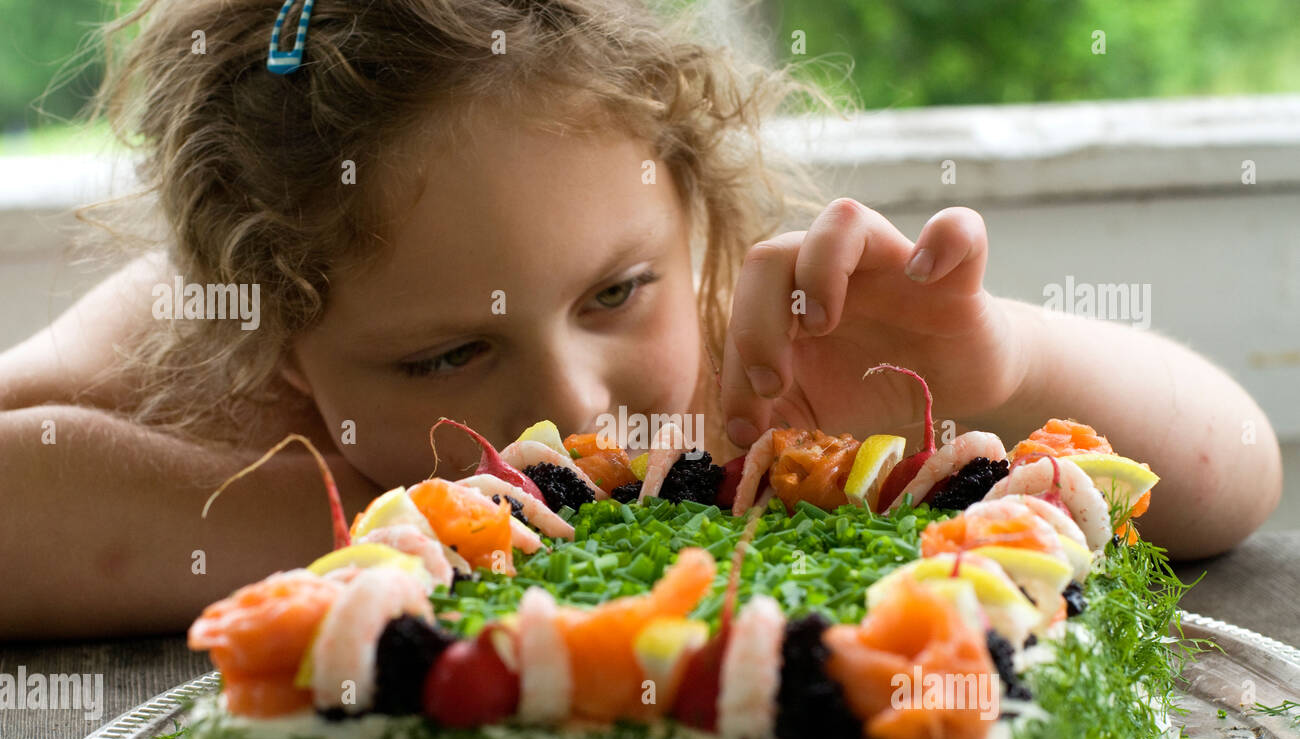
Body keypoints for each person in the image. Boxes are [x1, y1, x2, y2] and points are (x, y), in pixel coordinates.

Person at [0, 0, 1281, 636]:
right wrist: (337, 522)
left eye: (617, 293)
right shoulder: (216, 353)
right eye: (445, 353)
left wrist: (1005, 358)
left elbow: (1231, 480)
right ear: (276, 348)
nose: (570, 402)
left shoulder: (786, 348)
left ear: (697, 208)